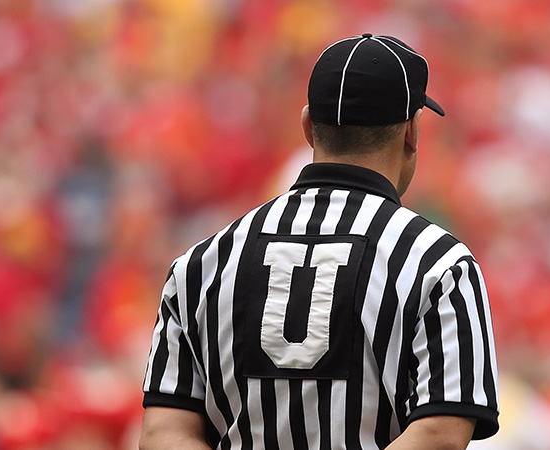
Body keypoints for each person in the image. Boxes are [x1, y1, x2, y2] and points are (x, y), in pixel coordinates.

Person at [139, 33, 499, 450]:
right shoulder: (439, 262)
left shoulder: (201, 264)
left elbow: (164, 433)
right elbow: (441, 433)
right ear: (412, 132)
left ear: (308, 127)